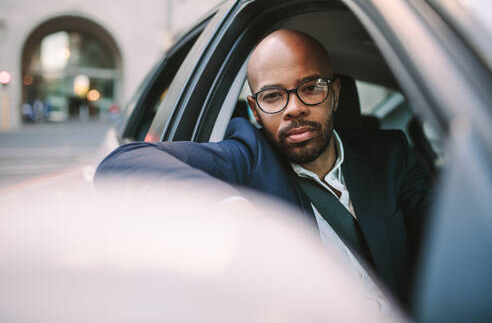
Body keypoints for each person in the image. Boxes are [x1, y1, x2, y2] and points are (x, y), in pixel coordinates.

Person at [95, 29, 433, 307]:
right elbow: (121, 164)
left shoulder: (390, 156)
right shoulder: (247, 157)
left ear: (335, 93)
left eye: (311, 88)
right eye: (273, 96)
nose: (294, 108)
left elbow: (444, 235)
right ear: (255, 111)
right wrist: (229, 209)